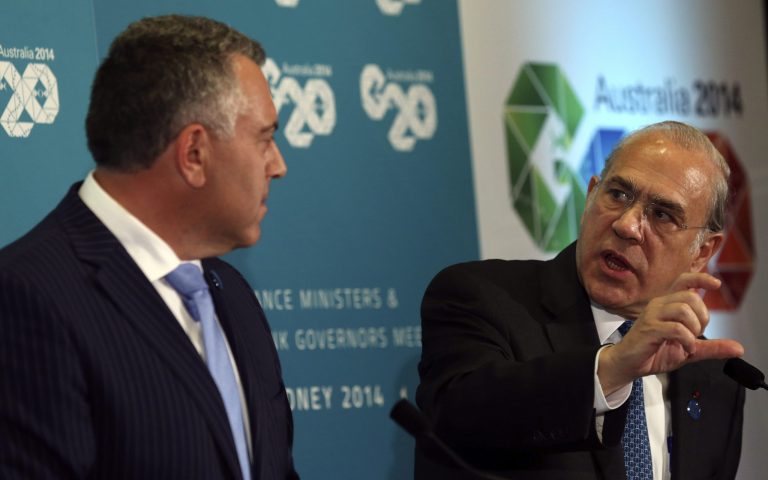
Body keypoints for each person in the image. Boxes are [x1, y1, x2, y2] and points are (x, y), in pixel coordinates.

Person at [0, 15, 299, 479]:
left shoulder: (232, 295)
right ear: (194, 153)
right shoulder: (25, 297)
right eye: (265, 139)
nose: (278, 165)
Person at [416, 121, 745, 480]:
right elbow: (457, 419)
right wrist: (614, 366)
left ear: (703, 252)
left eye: (663, 215)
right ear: (591, 195)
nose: (627, 225)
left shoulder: (716, 379)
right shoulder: (480, 297)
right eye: (618, 194)